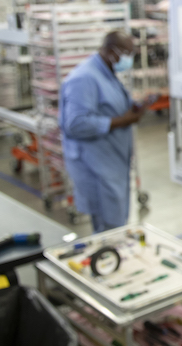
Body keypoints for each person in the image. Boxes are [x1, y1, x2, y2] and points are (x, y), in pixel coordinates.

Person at [58, 30, 144, 233]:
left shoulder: (106, 72)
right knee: (108, 228)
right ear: (110, 51)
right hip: (96, 165)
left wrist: (134, 105)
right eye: (126, 53)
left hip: (111, 163)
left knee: (116, 223)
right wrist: (124, 120)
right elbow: (76, 123)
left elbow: (107, 103)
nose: (128, 60)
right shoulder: (84, 78)